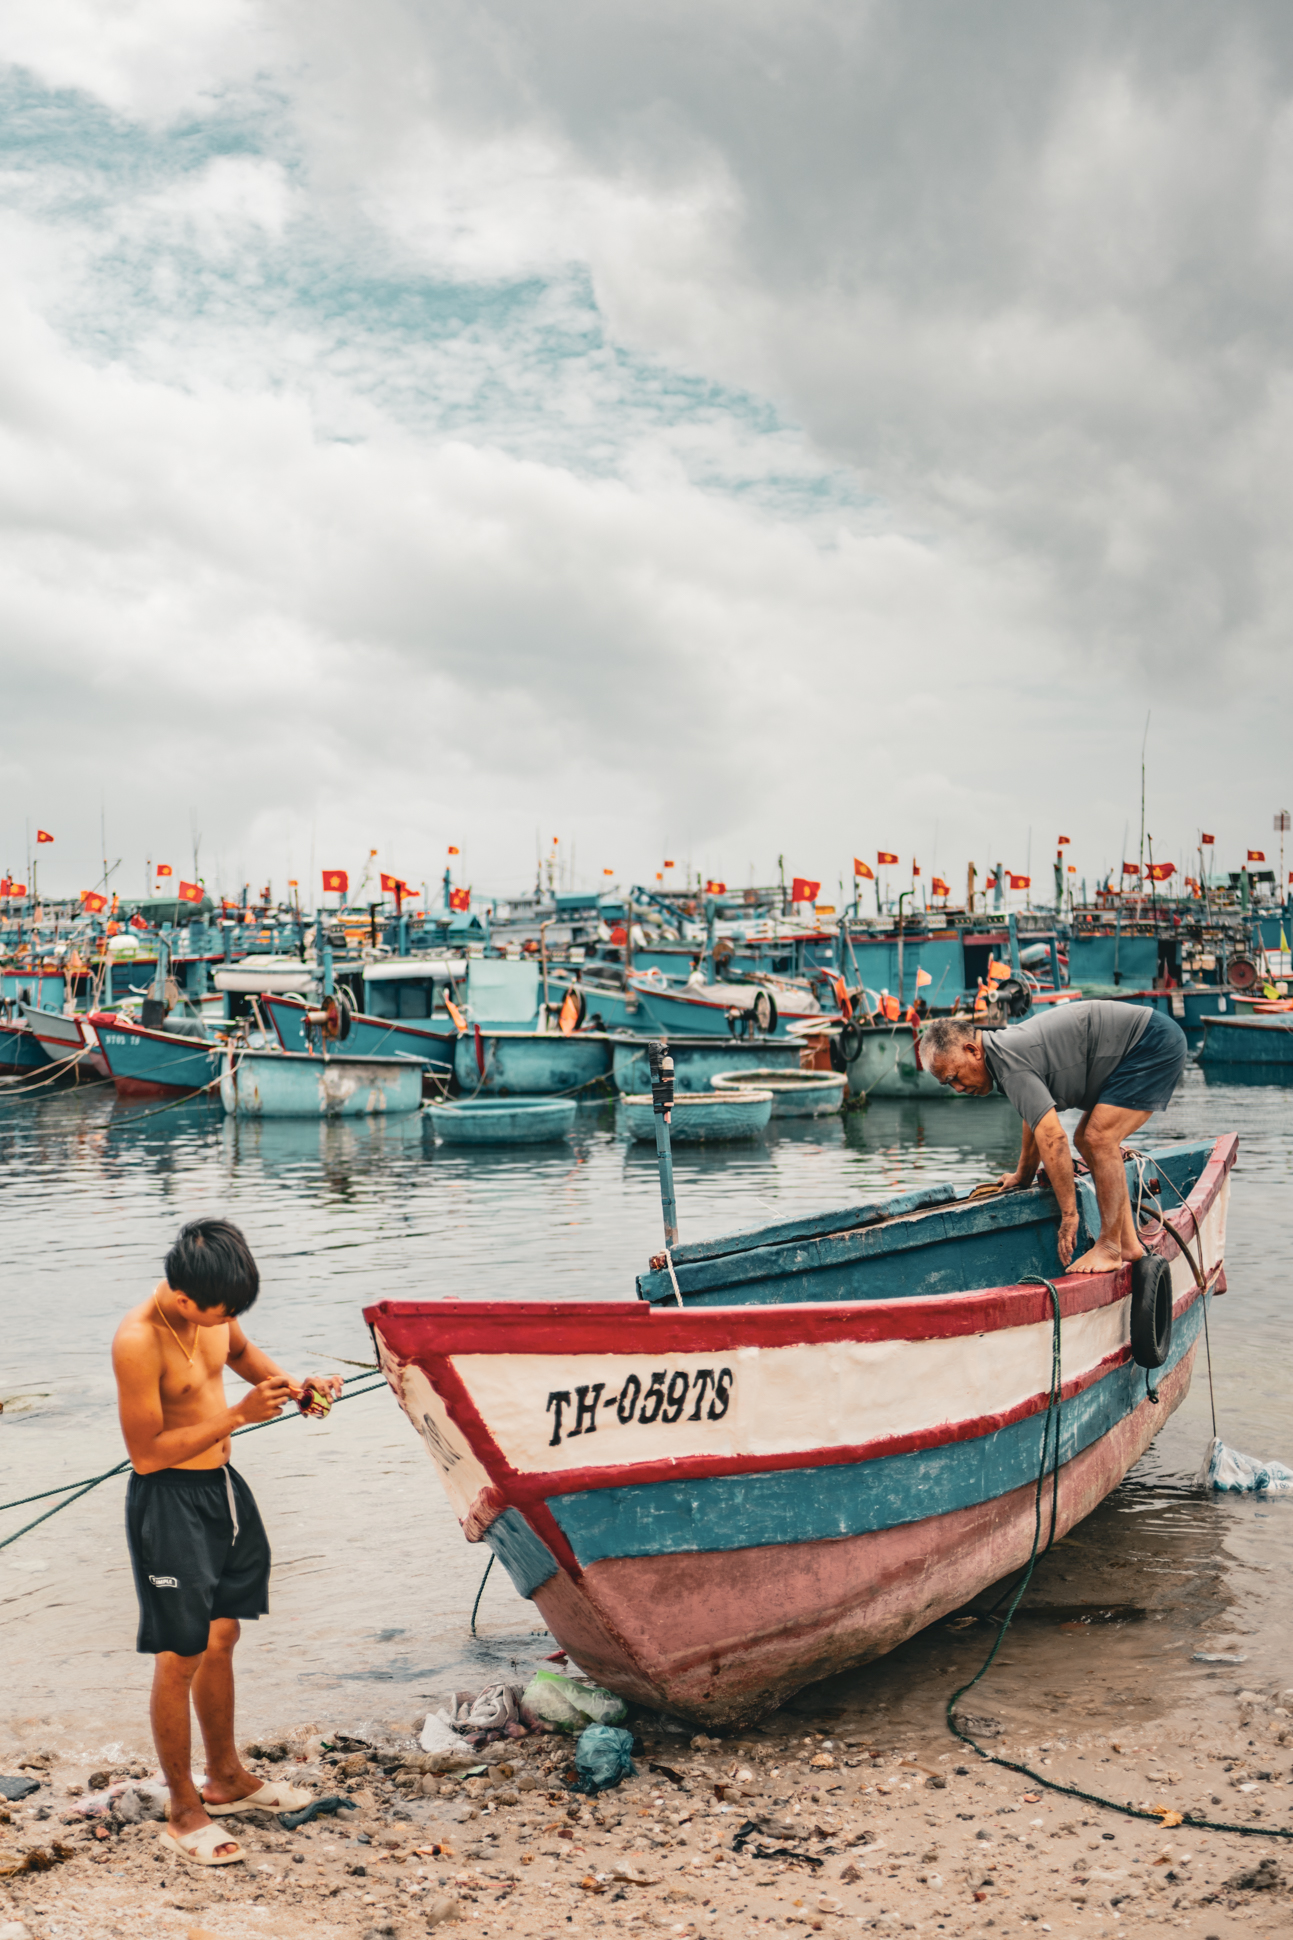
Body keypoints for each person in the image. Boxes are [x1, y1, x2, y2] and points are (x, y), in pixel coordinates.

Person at [111, 1218, 342, 1868]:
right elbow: (147, 1456)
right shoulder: (138, 1340)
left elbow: (239, 1355)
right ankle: (183, 1809)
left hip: (222, 1488)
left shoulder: (215, 1314)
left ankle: (227, 1777)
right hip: (168, 1502)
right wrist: (239, 1414)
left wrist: (297, 1387)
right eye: (221, 1310)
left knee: (224, 1634)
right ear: (183, 1297)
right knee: (178, 1652)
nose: (228, 1320)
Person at [919, 1002, 1187, 1274]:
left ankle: (1109, 1247)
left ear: (972, 1050)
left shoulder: (1007, 1061)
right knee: (1086, 1139)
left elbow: (1053, 1138)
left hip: (1151, 1042)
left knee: (1098, 1138)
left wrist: (1070, 1215)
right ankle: (1128, 1244)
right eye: (948, 1084)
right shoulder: (1001, 1054)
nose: (958, 1088)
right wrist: (1023, 1175)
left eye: (955, 1077)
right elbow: (1035, 1115)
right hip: (1142, 1042)